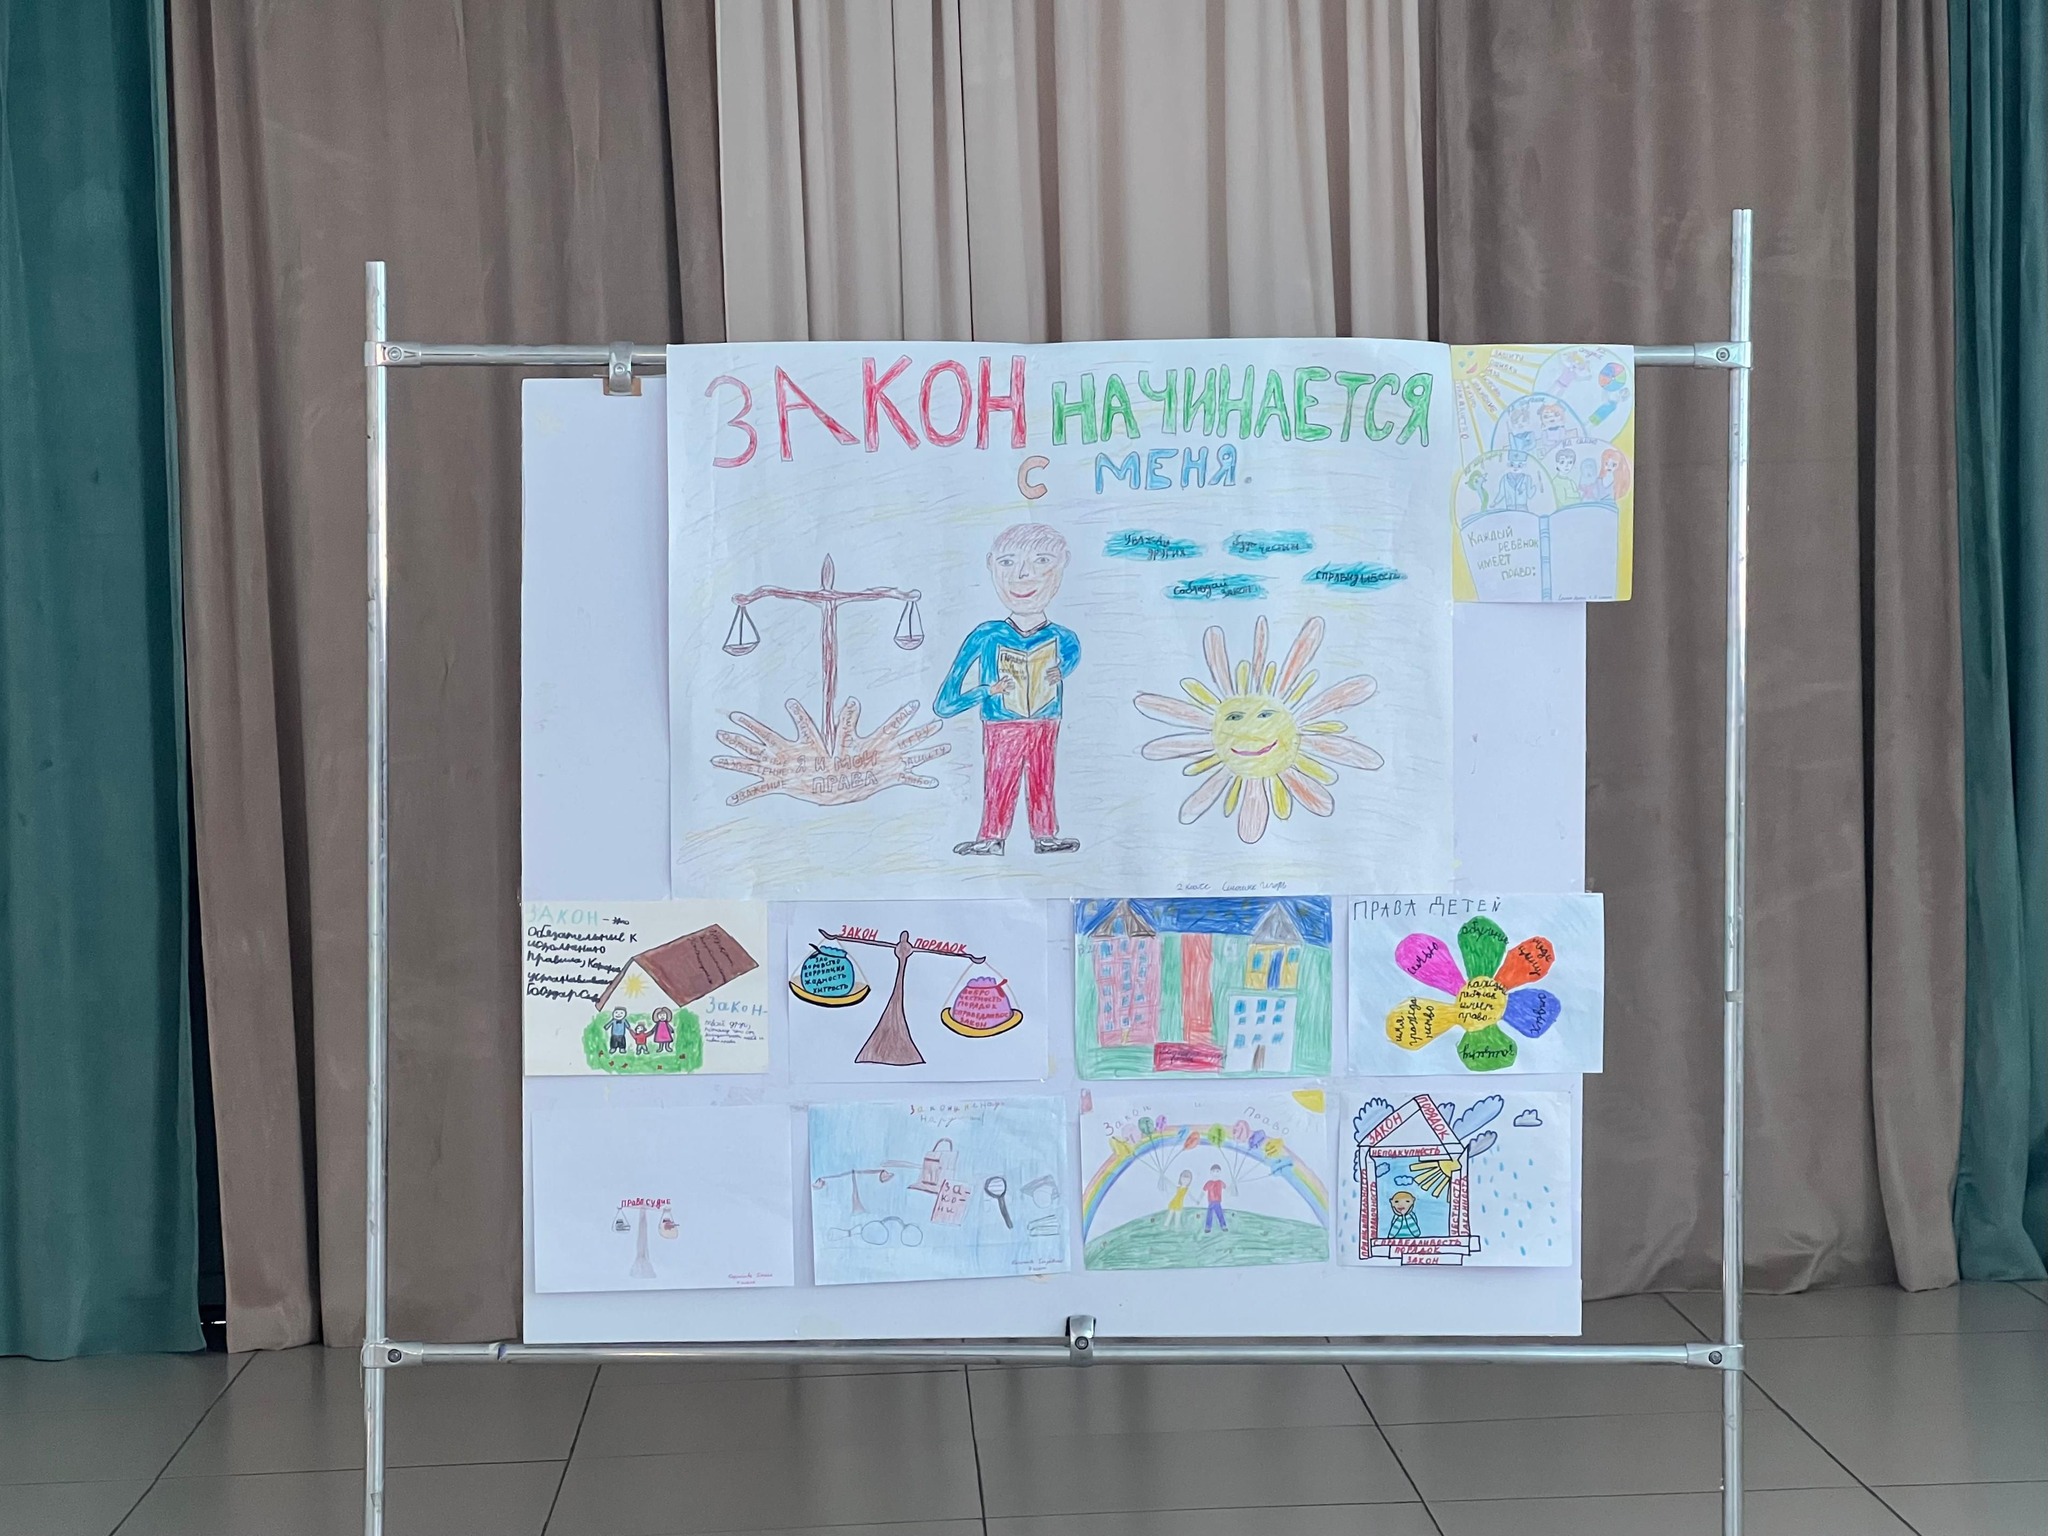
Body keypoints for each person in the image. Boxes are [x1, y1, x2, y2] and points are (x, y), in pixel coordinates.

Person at [934, 524, 1081, 856]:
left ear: (1062, 564)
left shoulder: (1062, 637)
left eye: (1042, 560)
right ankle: (991, 838)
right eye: (1007, 562)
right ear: (991, 565)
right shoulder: (986, 635)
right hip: (1001, 722)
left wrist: (1062, 670)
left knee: (1043, 776)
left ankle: (1045, 836)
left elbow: (1073, 653)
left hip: (1045, 718)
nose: (1023, 575)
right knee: (1000, 777)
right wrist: (987, 690)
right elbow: (944, 703)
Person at [1201, 1164, 1229, 1233]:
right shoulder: (1209, 1183)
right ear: (1211, 1172)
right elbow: (1203, 1191)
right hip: (1210, 1202)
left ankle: (1223, 1225)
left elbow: (1227, 1189)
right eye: (1214, 1171)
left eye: (1217, 1171)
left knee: (1220, 1214)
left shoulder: (1221, 1182)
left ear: (1220, 1172)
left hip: (1217, 1202)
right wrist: (1199, 1199)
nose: (1215, 1173)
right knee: (1209, 1215)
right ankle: (1208, 1227)